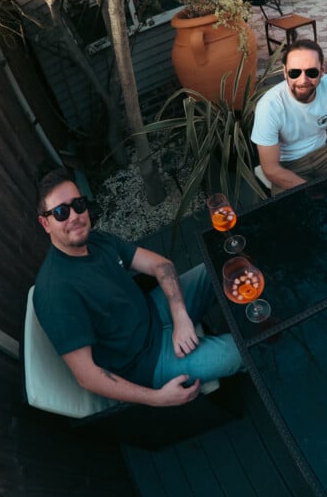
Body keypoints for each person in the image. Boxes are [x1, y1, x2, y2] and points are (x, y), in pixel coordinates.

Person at [33, 168, 243, 407]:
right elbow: (87, 377)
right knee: (238, 352)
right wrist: (156, 398)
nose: (74, 216)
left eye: (78, 205)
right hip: (146, 362)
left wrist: (180, 317)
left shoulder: (97, 240)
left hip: (154, 312)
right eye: (61, 212)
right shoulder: (55, 293)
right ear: (45, 223)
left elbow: (161, 265)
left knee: (224, 265)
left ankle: (258, 309)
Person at [252, 39, 327, 195]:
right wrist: (311, 190)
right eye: (295, 73)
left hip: (325, 149)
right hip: (288, 164)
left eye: (311, 72)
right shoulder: (269, 106)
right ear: (285, 72)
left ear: (322, 71)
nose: (303, 80)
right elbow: (271, 169)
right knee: (297, 213)